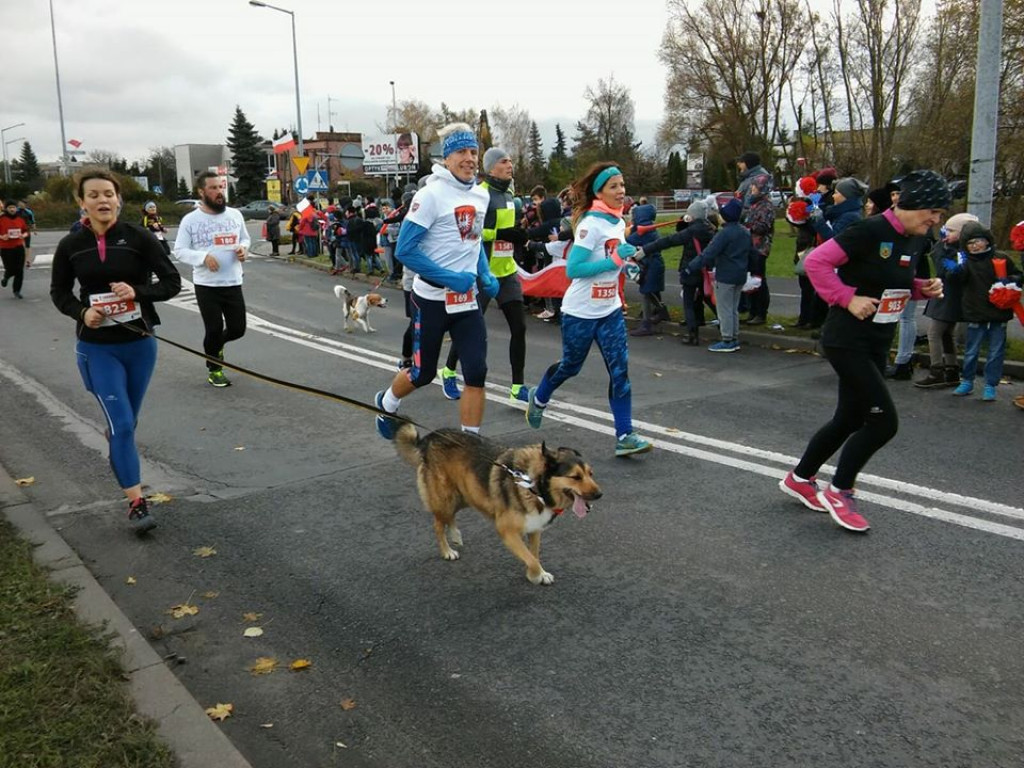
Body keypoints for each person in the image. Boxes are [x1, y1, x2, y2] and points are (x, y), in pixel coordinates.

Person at [778, 169, 950, 533]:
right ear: (908, 203)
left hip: (877, 339)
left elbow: (891, 281)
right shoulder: (869, 230)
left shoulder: (916, 238)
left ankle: (800, 478)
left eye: (940, 213)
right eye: (932, 211)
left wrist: (922, 288)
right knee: (883, 421)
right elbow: (816, 262)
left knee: (851, 417)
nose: (937, 219)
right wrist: (846, 298)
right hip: (847, 338)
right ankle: (840, 490)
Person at [50, 170, 181, 533]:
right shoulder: (70, 245)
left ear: (118, 199)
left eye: (108, 194)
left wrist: (137, 292)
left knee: (126, 424)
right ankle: (137, 503)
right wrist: (82, 312)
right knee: (121, 424)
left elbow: (172, 282)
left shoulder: (139, 237)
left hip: (140, 345)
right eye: (93, 195)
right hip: (97, 350)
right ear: (82, 202)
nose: (102, 200)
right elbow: (59, 292)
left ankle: (121, 453)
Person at [373, 122, 498, 439]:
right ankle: (387, 403)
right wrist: (449, 278)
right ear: (447, 157)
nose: (469, 158)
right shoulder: (431, 195)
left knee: (476, 371)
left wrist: (484, 271)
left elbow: (473, 239)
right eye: (461, 152)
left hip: (466, 299)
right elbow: (405, 250)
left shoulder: (480, 196)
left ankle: (470, 444)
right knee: (423, 372)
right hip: (430, 299)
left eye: (473, 151)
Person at [524, 161, 653, 457]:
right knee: (571, 366)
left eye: (622, 185)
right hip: (580, 312)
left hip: (608, 310)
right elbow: (575, 268)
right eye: (614, 186)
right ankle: (540, 397)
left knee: (620, 371)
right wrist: (615, 261)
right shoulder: (591, 224)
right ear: (600, 192)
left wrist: (628, 264)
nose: (621, 191)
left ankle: (625, 435)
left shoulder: (618, 222)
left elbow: (615, 259)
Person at [439, 147, 532, 404]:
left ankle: (517, 387)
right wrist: (503, 234)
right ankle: (447, 371)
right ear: (491, 168)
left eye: (511, 160)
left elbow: (509, 231)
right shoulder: (480, 194)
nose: (510, 164)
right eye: (504, 161)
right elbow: (472, 233)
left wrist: (520, 235)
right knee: (469, 327)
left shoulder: (511, 194)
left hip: (507, 271)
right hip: (482, 272)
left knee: (520, 328)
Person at [172, 172, 250, 388]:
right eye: (213, 188)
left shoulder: (234, 215)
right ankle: (214, 368)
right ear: (201, 192)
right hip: (207, 285)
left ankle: (216, 347)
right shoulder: (191, 220)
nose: (219, 192)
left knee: (238, 329)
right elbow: (179, 250)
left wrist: (244, 249)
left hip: (233, 281)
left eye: (220, 187)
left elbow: (245, 238)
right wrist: (203, 257)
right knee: (213, 329)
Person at [948, 221, 1022, 401]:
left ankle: (990, 385)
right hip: (975, 311)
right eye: (969, 243)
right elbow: (955, 279)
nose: (974, 246)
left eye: (977, 241)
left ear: (987, 241)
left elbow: (1019, 275)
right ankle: (967, 380)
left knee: (996, 351)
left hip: (999, 311)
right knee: (971, 350)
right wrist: (955, 266)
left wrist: (1009, 281)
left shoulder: (1001, 257)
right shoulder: (966, 262)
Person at [635, 200, 714, 345]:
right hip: (705, 271)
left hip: (690, 270)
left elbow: (669, 241)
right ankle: (715, 321)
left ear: (691, 216)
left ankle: (692, 334)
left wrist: (645, 250)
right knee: (706, 297)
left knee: (689, 302)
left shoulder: (691, 232)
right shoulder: (711, 229)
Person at [914, 212, 978, 388]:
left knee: (934, 333)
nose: (946, 233)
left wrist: (941, 248)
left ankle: (937, 370)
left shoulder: (956, 252)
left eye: (951, 231)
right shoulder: (959, 250)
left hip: (948, 297)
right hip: (951, 296)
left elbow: (944, 271)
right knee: (947, 334)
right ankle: (952, 370)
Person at [682, 198, 751, 352]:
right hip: (741, 274)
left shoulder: (724, 234)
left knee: (724, 308)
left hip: (726, 274)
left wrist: (691, 267)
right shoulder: (744, 232)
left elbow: (708, 253)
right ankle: (734, 335)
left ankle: (727, 339)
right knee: (733, 308)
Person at [0, 200, 31, 298]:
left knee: (19, 270)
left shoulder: (20, 218)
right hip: (5, 247)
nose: (12, 209)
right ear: (6, 209)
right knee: (10, 268)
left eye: (13, 207)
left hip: (18, 246)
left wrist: (23, 235)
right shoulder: (1, 218)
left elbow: (26, 231)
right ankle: (6, 277)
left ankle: (17, 290)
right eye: (10, 207)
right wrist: (2, 236)